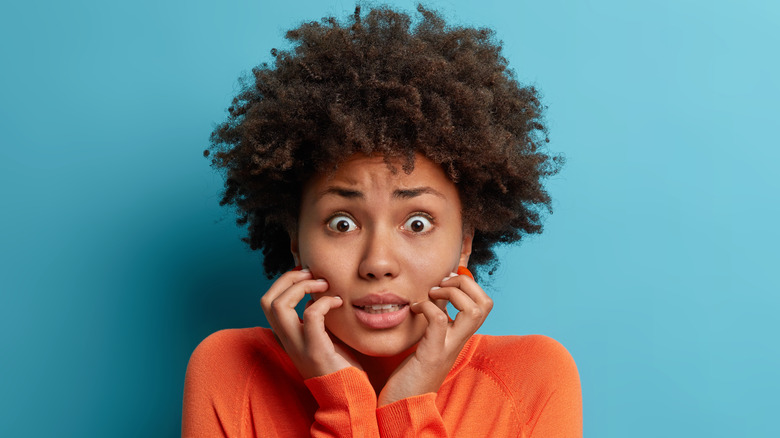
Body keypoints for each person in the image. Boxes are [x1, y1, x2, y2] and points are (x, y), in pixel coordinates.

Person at [182, 4, 581, 437]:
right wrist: (343, 400)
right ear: (295, 239)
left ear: (465, 240)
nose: (378, 262)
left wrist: (408, 404)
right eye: (342, 223)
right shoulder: (232, 368)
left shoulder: (531, 379)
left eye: (417, 223)